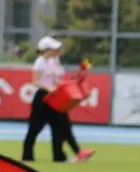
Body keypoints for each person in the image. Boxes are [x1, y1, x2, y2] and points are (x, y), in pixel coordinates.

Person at [24, 36, 95, 164]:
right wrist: (48, 87)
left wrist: (65, 84)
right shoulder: (40, 62)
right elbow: (35, 81)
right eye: (54, 49)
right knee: (35, 128)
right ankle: (27, 156)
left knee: (63, 126)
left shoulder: (55, 60)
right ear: (46, 49)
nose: (57, 51)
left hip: (56, 97)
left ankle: (63, 155)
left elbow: (56, 79)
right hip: (43, 98)